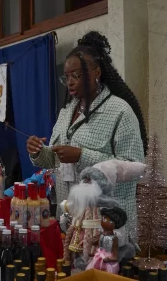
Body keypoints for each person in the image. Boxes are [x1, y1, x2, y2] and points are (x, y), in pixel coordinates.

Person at [26, 31, 147, 243]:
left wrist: (81, 155)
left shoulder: (120, 111)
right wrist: (38, 152)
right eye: (67, 77)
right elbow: (55, 159)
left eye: (77, 75)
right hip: (70, 219)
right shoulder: (66, 111)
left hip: (106, 223)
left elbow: (135, 167)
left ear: (96, 72)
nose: (70, 82)